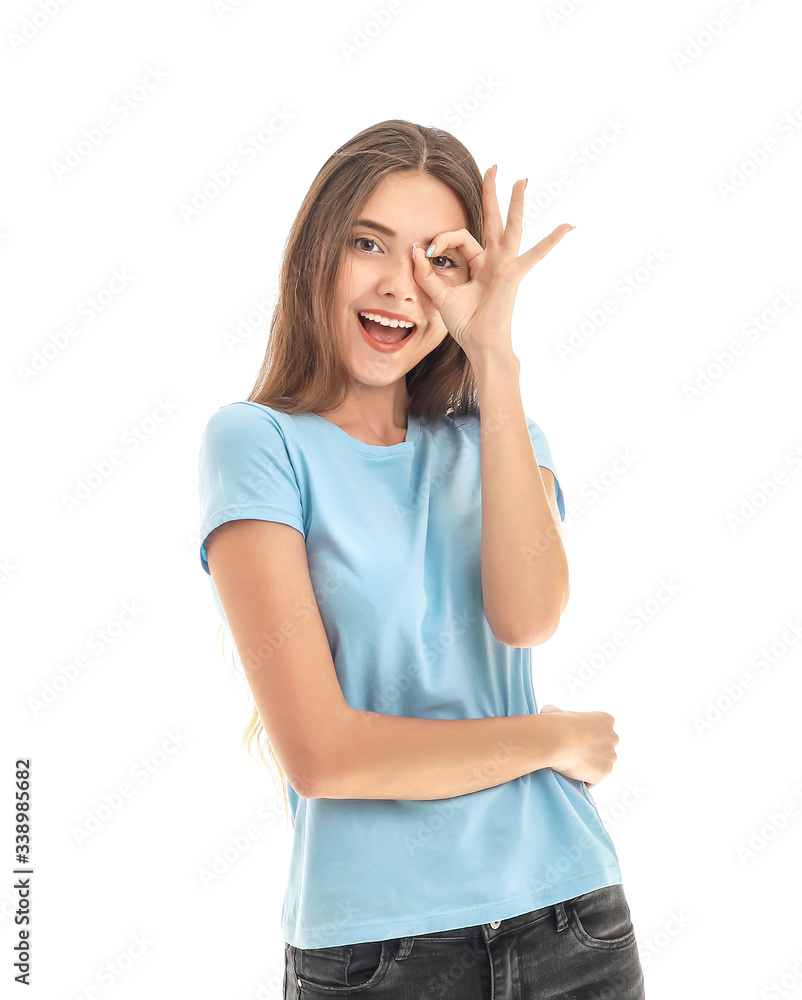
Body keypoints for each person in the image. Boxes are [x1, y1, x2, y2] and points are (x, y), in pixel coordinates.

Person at [197, 119, 646, 999]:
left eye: (439, 260)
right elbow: (323, 754)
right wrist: (553, 738)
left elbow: (529, 617)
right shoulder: (258, 444)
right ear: (317, 253)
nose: (401, 287)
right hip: (380, 951)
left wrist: (494, 357)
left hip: (573, 920)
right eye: (369, 243)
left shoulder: (503, 439)